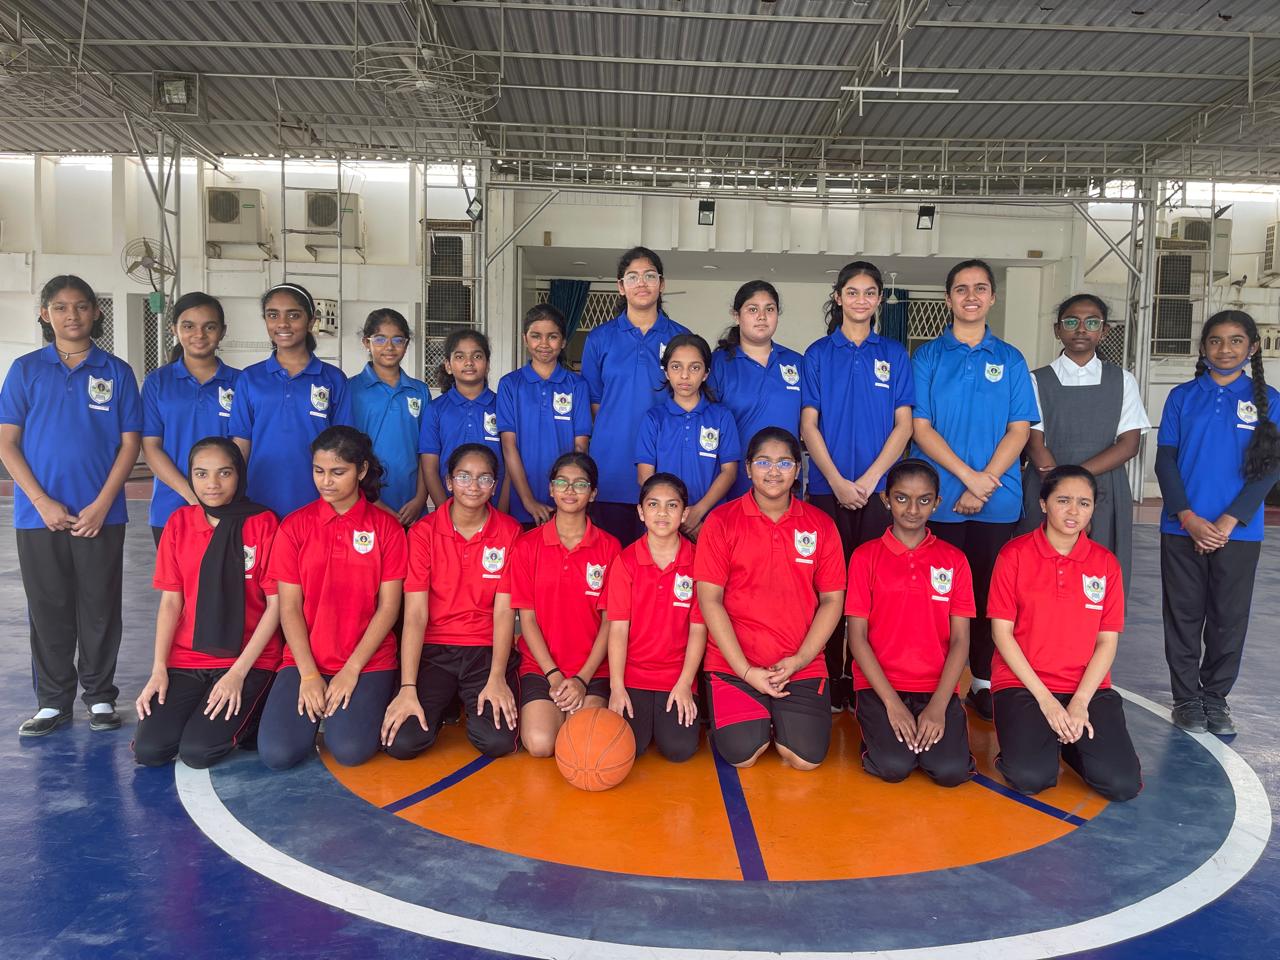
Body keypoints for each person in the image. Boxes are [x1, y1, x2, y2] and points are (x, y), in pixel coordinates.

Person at [0, 275, 142, 736]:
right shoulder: (25, 370)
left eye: (81, 306)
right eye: (60, 307)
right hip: (38, 517)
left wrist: (102, 504)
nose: (72, 315)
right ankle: (52, 701)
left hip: (102, 515)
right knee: (48, 608)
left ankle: (100, 696)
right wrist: (41, 502)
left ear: (96, 312)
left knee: (100, 606)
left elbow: (130, 445)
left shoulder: (117, 372)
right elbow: (6, 443)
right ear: (45, 314)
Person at [911, 259, 1039, 721]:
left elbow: (1019, 429)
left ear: (992, 297)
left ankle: (982, 681)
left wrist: (983, 485)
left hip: (996, 501)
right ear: (948, 298)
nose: (971, 296)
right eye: (961, 289)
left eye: (980, 288)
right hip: (939, 500)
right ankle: (931, 680)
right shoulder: (927, 357)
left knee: (988, 596)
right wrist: (969, 478)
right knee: (935, 597)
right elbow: (921, 428)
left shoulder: (1010, 359)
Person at [1156, 310, 1280, 736]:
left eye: (1235, 341)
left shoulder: (1270, 400)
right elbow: (1166, 460)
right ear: (1203, 346)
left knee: (1229, 618)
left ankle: (1215, 697)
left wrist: (1230, 520)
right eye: (1215, 340)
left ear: (1253, 347)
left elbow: (1269, 469)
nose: (1225, 349)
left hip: (1238, 533)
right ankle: (1186, 698)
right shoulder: (1182, 397)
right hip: (1181, 528)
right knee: (1183, 616)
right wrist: (1187, 516)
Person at [987, 465, 1141, 802]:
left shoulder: (1105, 564)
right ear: (1043, 504)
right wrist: (1047, 702)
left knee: (1122, 784)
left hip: (1086, 688)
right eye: (1063, 501)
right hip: (1024, 685)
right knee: (1030, 777)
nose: (1073, 512)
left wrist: (1080, 703)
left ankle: (1070, 744)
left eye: (1084, 503)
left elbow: (1107, 641)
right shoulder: (1013, 555)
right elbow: (1002, 634)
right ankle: (1035, 741)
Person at [694, 427, 846, 770]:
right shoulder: (721, 521)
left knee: (805, 759)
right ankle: (761, 714)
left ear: (797, 469)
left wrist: (800, 659)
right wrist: (746, 671)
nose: (774, 471)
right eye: (763, 462)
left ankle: (777, 717)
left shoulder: (821, 525)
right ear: (748, 468)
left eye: (784, 463)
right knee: (743, 754)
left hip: (799, 664)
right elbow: (710, 599)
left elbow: (832, 601)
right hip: (735, 664)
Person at [801, 260, 915, 713]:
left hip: (877, 491)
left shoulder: (894, 353)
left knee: (872, 587)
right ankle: (831, 673)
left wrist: (869, 482)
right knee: (826, 586)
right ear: (838, 297)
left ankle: (864, 675)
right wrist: (836, 480)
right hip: (827, 489)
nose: (861, 300)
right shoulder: (817, 354)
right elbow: (809, 425)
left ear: (879, 300)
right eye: (852, 292)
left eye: (870, 292)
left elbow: (904, 425)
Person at [257, 426, 406, 769]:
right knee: (278, 754)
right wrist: (309, 675)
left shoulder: (387, 528)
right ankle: (318, 706)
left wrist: (352, 669)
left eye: (338, 472)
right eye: (318, 471)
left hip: (367, 660)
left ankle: (347, 709)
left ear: (362, 470)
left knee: (350, 750)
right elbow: (289, 608)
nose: (326, 482)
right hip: (306, 657)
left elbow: (389, 608)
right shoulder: (294, 526)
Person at [134, 438, 281, 768]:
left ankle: (257, 710)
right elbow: (171, 603)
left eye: (224, 473)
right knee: (150, 750)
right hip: (188, 658)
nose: (212, 484)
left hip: (248, 658)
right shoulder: (179, 523)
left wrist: (237, 673)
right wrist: (158, 669)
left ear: (239, 474)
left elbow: (276, 606)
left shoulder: (264, 523)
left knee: (198, 752)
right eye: (201, 474)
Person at [381, 443, 522, 760]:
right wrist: (408, 688)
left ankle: (465, 701)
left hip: (485, 649)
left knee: (497, 742)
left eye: (484, 478)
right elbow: (415, 615)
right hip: (435, 649)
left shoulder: (510, 531)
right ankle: (444, 703)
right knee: (401, 742)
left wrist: (497, 677)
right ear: (448, 481)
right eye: (464, 476)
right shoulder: (423, 532)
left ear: (494, 485)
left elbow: (504, 612)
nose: (473, 486)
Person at [845, 459, 975, 787]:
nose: (913, 510)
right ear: (886, 499)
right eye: (902, 498)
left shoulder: (955, 560)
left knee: (950, 771)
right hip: (880, 685)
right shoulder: (864, 557)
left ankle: (932, 737)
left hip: (936, 686)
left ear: (937, 503)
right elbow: (857, 637)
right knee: (894, 766)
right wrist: (892, 703)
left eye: (924, 500)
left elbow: (961, 640)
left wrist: (939, 706)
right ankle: (879, 737)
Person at [1020, 294, 1150, 590]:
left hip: (1104, 491)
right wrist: (1065, 491)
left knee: (1098, 577)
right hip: (1046, 484)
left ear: (1104, 331)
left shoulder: (1122, 380)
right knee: (1040, 575)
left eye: (1092, 322)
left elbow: (1129, 444)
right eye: (1071, 322)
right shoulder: (1036, 380)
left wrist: (1074, 486)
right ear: (1057, 330)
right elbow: (1035, 442)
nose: (1081, 329)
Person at [502, 452, 621, 757]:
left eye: (580, 484)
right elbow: (527, 620)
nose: (570, 490)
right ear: (551, 489)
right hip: (541, 667)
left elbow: (610, 621)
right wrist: (554, 675)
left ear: (592, 493)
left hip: (592, 669)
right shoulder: (527, 545)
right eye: (562, 482)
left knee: (583, 746)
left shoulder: (609, 547)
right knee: (541, 744)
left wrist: (582, 678)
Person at [582, 246, 690, 543]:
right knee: (610, 557)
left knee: (661, 560)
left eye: (649, 276)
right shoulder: (599, 338)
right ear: (621, 286)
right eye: (632, 277)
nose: (641, 283)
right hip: (611, 467)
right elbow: (594, 402)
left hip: (665, 466)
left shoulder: (681, 338)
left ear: (662, 283)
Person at [605, 472, 706, 761]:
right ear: (640, 512)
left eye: (672, 505)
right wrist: (616, 687)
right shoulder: (625, 561)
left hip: (677, 675)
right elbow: (618, 629)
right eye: (653, 504)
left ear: (684, 513)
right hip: (633, 675)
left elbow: (698, 629)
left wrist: (686, 683)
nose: (662, 513)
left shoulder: (697, 561)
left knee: (678, 749)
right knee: (629, 748)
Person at [229, 283, 351, 519]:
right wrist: (235, 496)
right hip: (259, 497)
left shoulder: (333, 378)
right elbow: (241, 443)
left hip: (318, 498)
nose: (282, 323)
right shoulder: (250, 378)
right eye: (273, 315)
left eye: (293, 315)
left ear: (311, 321)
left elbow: (343, 445)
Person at [141, 292, 240, 545]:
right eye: (188, 326)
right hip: (170, 508)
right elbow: (151, 447)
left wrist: (220, 495)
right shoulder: (157, 382)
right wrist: (192, 495)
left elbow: (243, 445)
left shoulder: (241, 383)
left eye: (209, 327)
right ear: (174, 329)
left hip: (228, 507)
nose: (199, 334)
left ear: (222, 331)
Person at [635, 334, 741, 538]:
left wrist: (698, 512)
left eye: (694, 367)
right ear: (666, 372)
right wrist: (675, 516)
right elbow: (644, 476)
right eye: (676, 367)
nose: (685, 375)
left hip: (710, 522)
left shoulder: (721, 416)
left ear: (706, 373)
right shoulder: (654, 418)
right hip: (664, 524)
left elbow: (729, 472)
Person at [708, 281, 804, 500]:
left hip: (784, 481)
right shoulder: (719, 364)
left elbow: (809, 424)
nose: (762, 316)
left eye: (769, 309)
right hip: (734, 482)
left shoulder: (796, 362)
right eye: (752, 309)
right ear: (736, 316)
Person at [497, 304, 591, 526]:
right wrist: (528, 501)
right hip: (521, 502)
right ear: (525, 339)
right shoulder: (510, 384)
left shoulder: (577, 385)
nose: (544, 344)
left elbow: (580, 448)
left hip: (566, 502)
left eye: (553, 336)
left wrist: (568, 495)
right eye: (536, 336)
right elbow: (509, 446)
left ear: (563, 341)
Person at [348, 308, 429, 525]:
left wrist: (420, 498)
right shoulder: (351, 389)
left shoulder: (419, 391)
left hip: (411, 503)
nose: (389, 347)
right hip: (365, 501)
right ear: (366, 342)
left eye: (398, 340)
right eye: (380, 339)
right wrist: (373, 501)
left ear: (407, 344)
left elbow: (427, 450)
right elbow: (346, 452)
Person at [419, 329, 505, 511]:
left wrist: (502, 513)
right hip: (449, 508)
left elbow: (511, 463)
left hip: (496, 509)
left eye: (477, 356)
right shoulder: (435, 409)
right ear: (448, 366)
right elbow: (429, 468)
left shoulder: (503, 406)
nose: (469, 362)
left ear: (488, 364)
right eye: (460, 357)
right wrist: (445, 512)